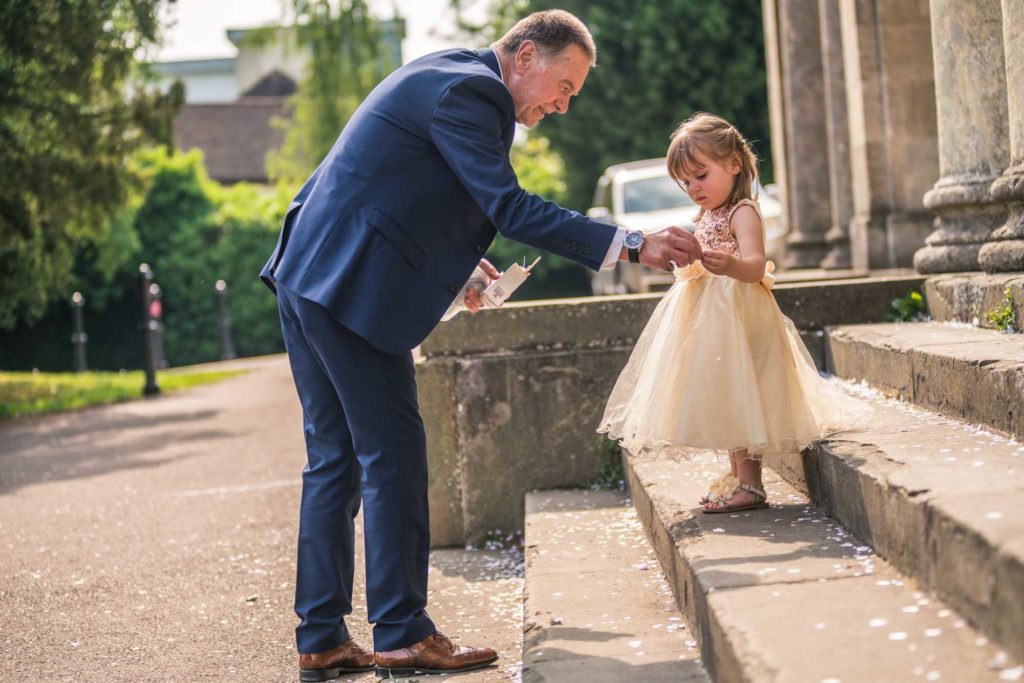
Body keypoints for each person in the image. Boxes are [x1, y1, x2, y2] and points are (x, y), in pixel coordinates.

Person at [260, 10, 703, 680]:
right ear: (525, 55)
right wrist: (633, 242)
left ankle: (321, 635)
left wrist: (460, 271)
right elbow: (511, 207)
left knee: (336, 459)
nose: (563, 103)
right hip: (347, 283)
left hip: (311, 269)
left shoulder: (452, 77)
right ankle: (404, 632)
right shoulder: (477, 93)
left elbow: (406, 190)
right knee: (393, 454)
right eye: (564, 84)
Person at [598, 112, 867, 514]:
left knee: (744, 390)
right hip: (709, 316)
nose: (693, 188)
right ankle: (739, 478)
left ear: (734, 164)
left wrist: (728, 264)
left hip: (740, 313)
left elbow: (756, 265)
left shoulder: (743, 211)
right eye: (685, 182)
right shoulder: (704, 217)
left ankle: (751, 484)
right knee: (725, 393)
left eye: (700, 176)